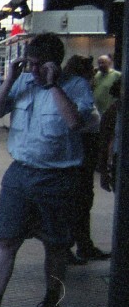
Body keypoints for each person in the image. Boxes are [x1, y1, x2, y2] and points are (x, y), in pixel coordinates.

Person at [0, 33, 97, 307]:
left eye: (40, 65)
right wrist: (10, 78)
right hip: (20, 175)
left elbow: (75, 122)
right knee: (7, 240)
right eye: (31, 64)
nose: (35, 71)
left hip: (59, 178)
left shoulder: (76, 86)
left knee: (55, 245)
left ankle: (52, 302)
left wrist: (53, 87)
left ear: (56, 63)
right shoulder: (22, 83)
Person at [63, 55, 110, 263]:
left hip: (83, 150)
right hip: (82, 148)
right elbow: (80, 119)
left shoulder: (75, 87)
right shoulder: (78, 86)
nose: (93, 74)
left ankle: (81, 244)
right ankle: (68, 246)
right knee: (78, 200)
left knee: (81, 200)